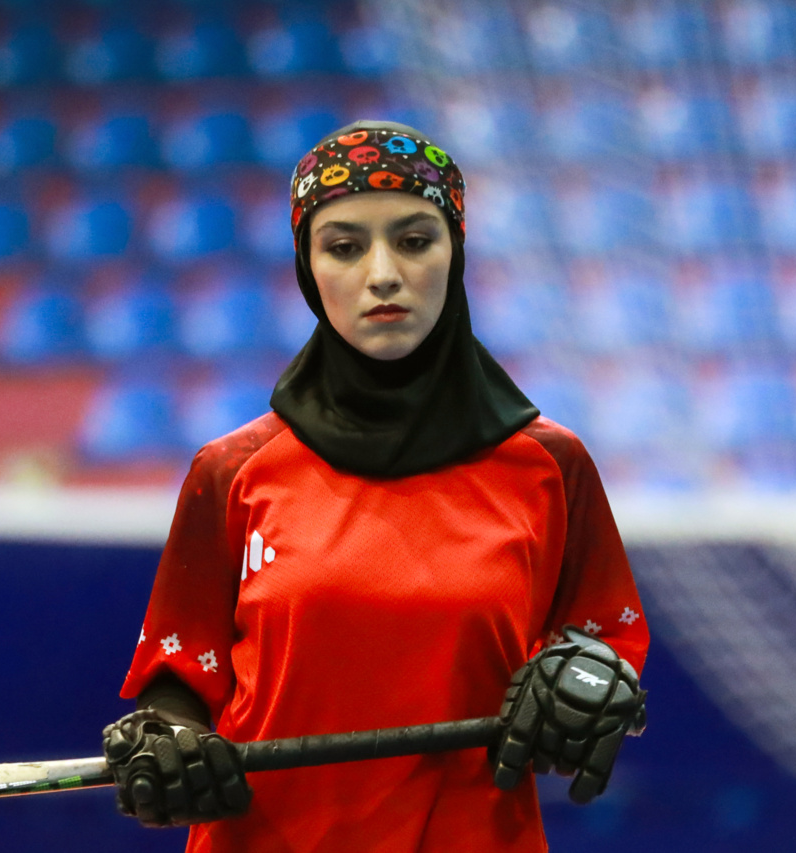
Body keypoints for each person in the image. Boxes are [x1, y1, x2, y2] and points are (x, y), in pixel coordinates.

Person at [102, 119, 650, 852]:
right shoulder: (231, 470)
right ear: (307, 267)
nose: (383, 273)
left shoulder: (551, 465)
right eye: (344, 247)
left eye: (415, 240)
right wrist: (166, 737)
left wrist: (591, 677)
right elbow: (180, 676)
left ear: (455, 252)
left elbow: (604, 638)